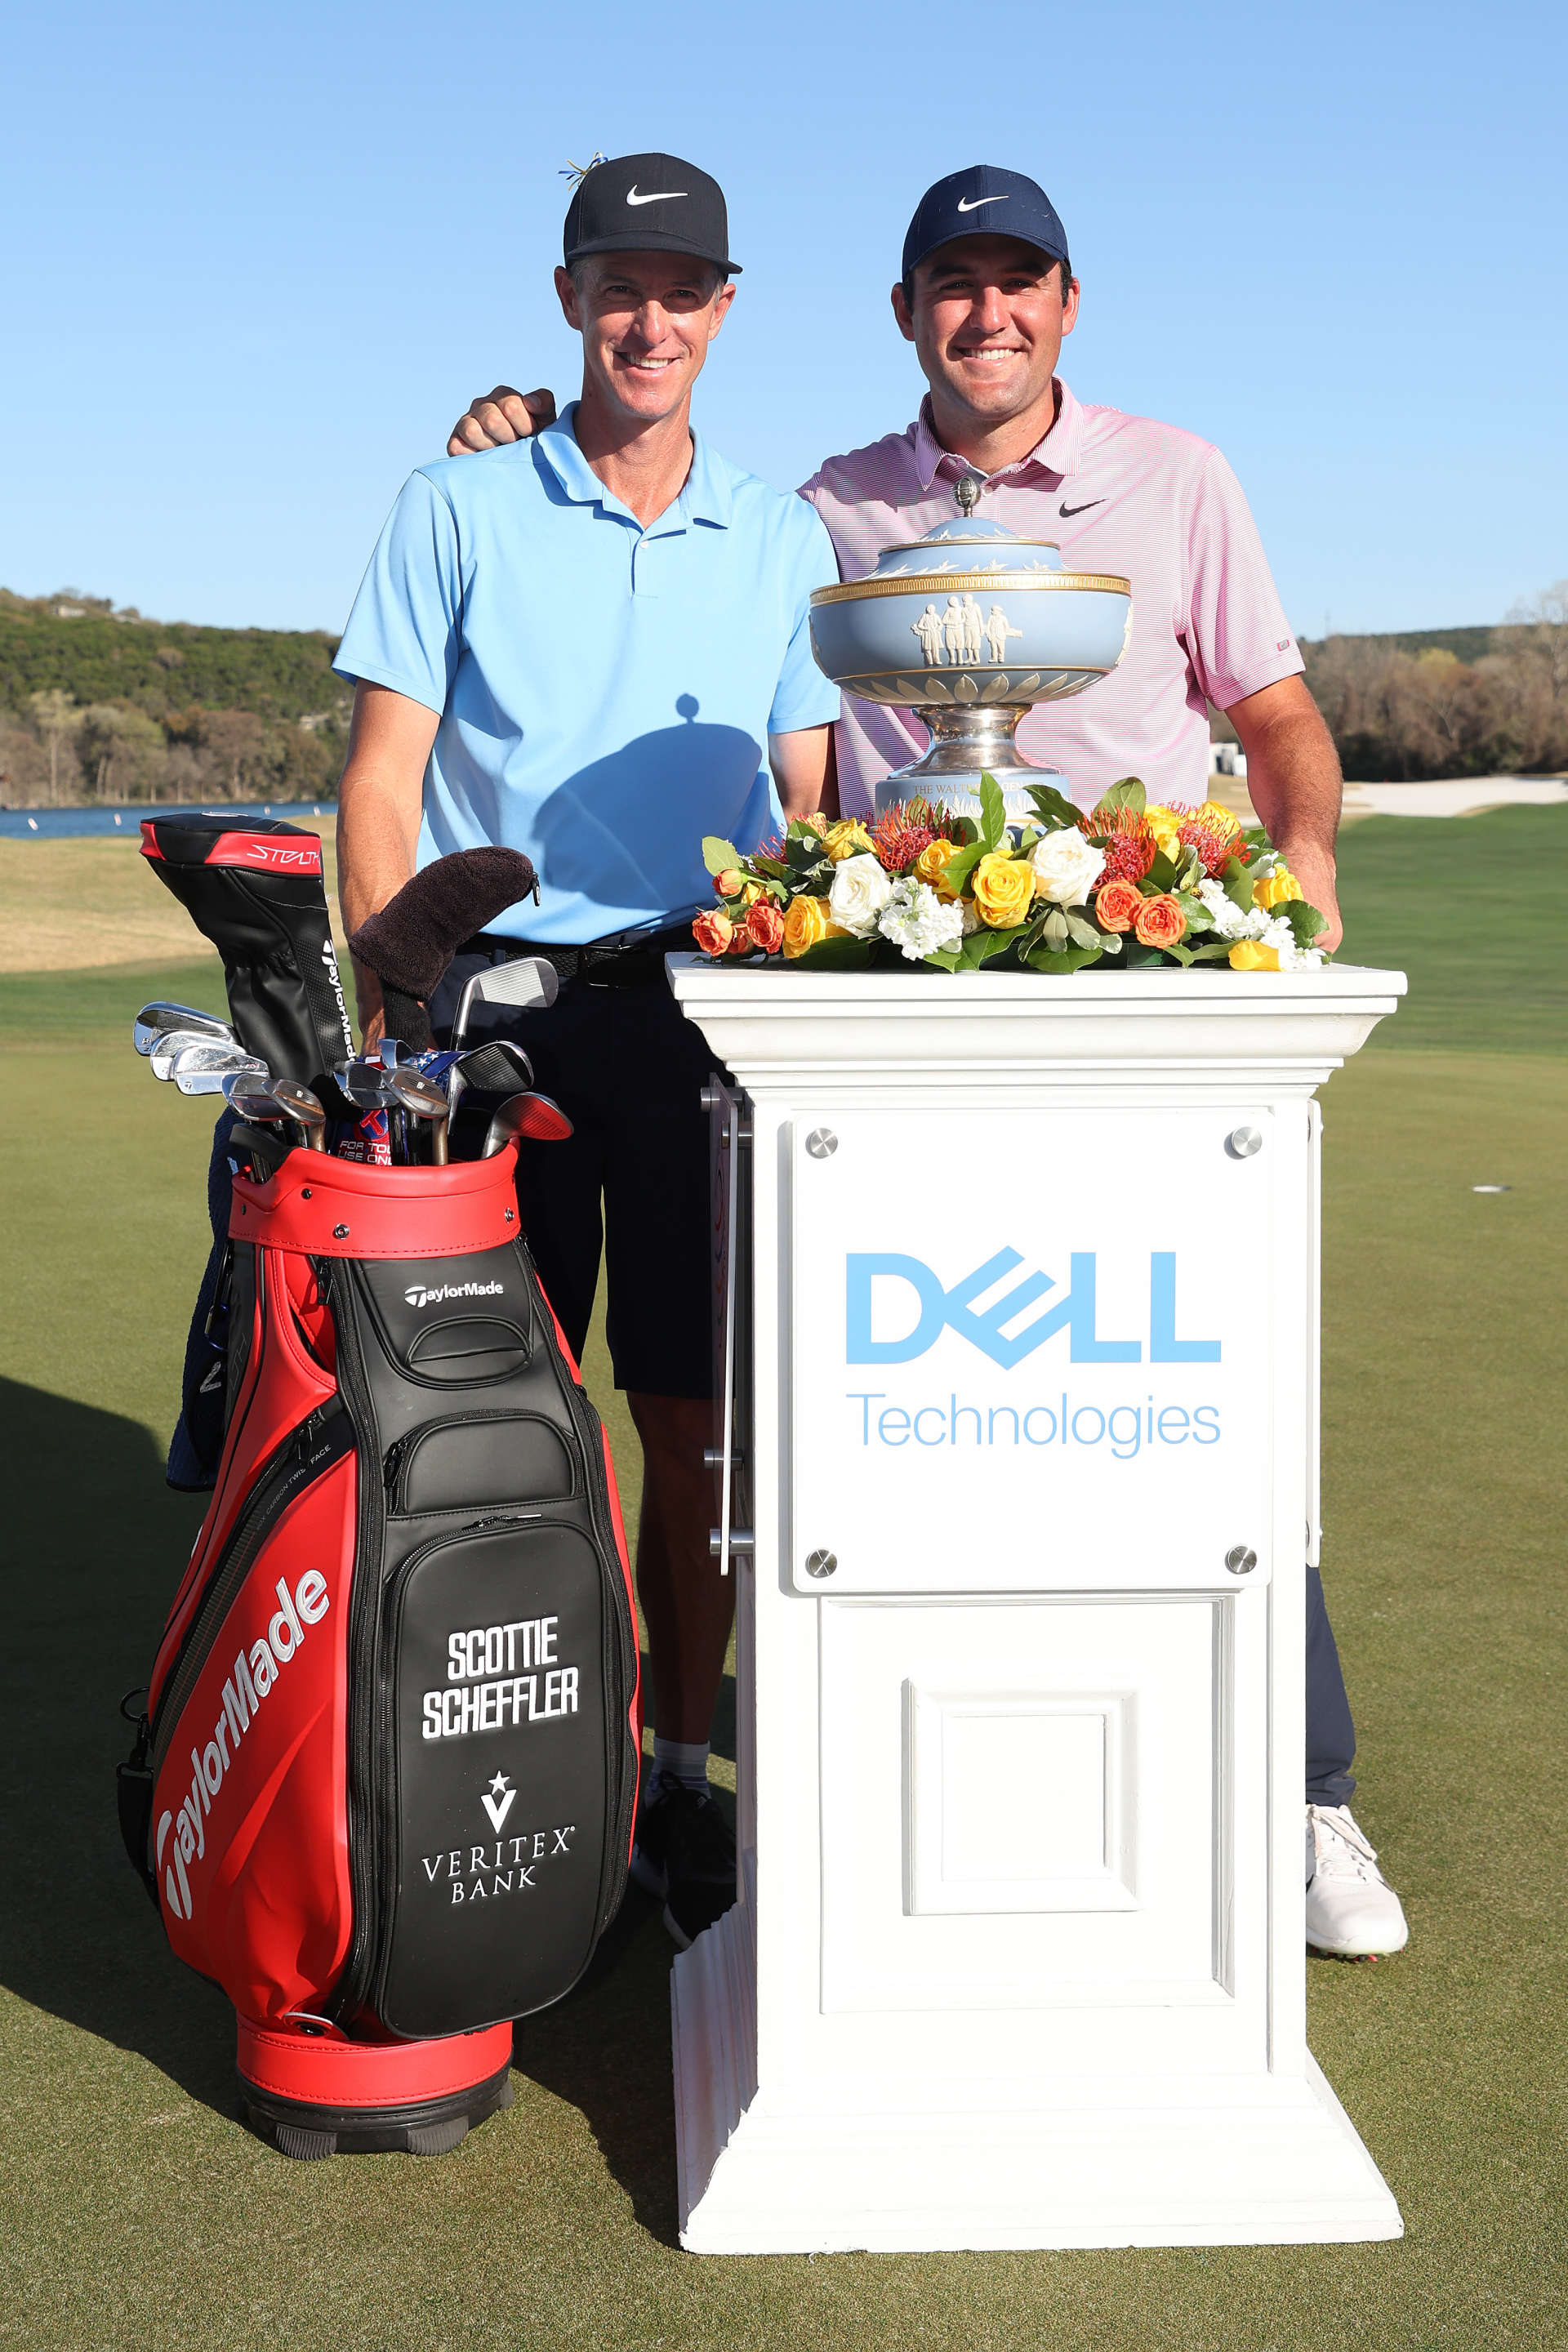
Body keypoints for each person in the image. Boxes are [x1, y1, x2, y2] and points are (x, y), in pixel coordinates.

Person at [435, 162, 1410, 1960]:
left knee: (1190, 1380)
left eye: (1017, 282)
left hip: (1132, 1000)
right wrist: (510, 428)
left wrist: (1309, 860)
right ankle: (881, 1767)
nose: (988, 314)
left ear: (1067, 302)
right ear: (904, 316)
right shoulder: (826, 507)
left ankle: (1303, 1794)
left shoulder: (1178, 477)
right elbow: (748, 702)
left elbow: (1269, 711)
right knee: (914, 1400)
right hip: (903, 1030)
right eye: (952, 286)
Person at [332, 152, 840, 1951]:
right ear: (569, 302)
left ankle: (673, 1777)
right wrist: (393, 1020)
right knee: (490, 1432)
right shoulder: (455, 500)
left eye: (681, 289)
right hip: (494, 1024)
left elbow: (806, 800)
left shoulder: (782, 536)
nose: (647, 319)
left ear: (724, 312)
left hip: (705, 1019)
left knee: (693, 1440)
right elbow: (383, 780)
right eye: (616, 287)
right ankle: (512, 1775)